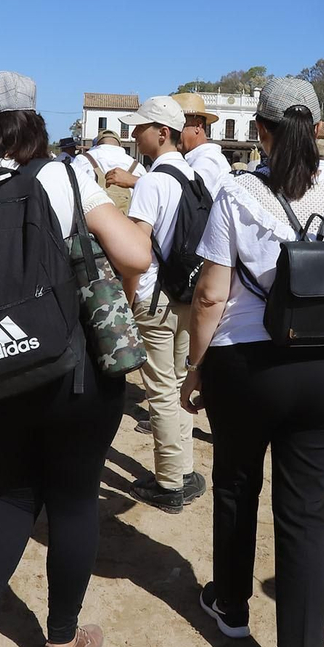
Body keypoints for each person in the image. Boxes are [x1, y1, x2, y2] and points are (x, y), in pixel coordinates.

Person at [0, 71, 150, 647]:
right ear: (35, 120)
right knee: (74, 498)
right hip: (73, 371)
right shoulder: (68, 177)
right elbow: (135, 256)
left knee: (12, 494)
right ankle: (58, 643)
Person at [178, 77, 324, 647]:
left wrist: (195, 367)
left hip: (249, 366)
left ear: (261, 129)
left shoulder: (237, 193)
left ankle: (230, 605)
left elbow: (209, 296)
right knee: (305, 510)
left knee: (234, 484)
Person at [117, 95, 207, 510]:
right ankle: (184, 470)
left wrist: (126, 297)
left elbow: (137, 251)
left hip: (154, 298)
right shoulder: (191, 176)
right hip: (186, 296)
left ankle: (170, 482)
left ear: (162, 132)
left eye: (140, 128)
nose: (134, 134)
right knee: (175, 386)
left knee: (161, 393)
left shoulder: (153, 181)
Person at [171, 91, 229, 195]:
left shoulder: (208, 161)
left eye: (178, 126)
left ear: (198, 126)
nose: (172, 134)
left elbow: (189, 196)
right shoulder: (201, 159)